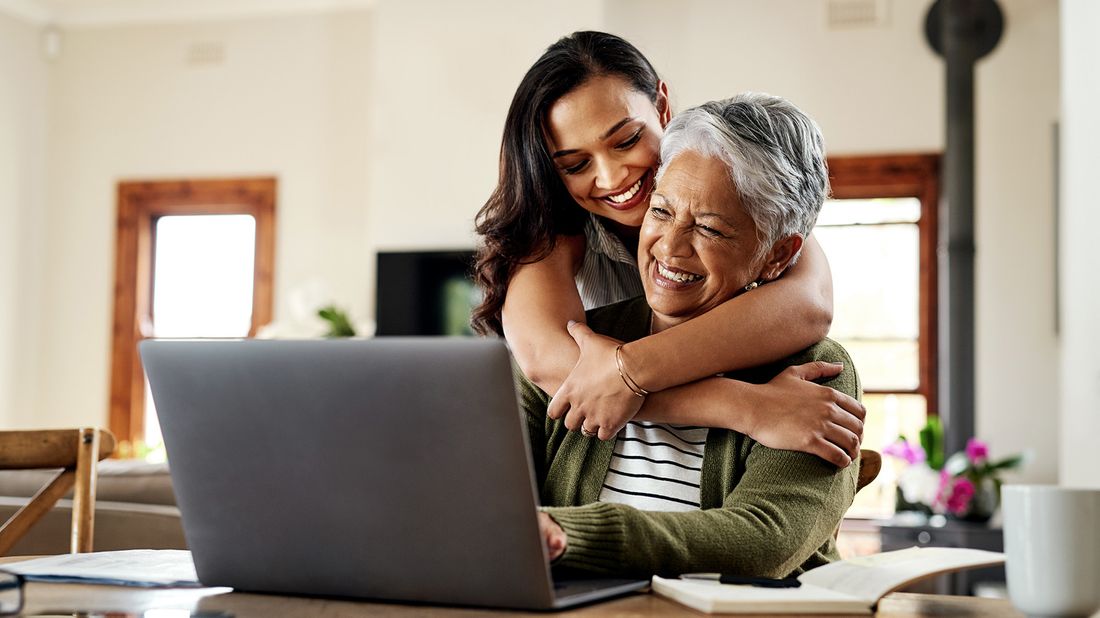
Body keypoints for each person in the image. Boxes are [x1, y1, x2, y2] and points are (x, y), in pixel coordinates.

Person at [473, 32, 863, 467]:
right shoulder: (554, 232)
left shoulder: (732, 173)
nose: (612, 176)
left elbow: (810, 304)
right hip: (611, 455)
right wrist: (745, 407)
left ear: (661, 107)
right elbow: (559, 367)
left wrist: (629, 370)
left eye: (625, 141)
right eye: (576, 165)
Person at [520, 93, 859, 577]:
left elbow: (765, 540)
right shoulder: (580, 344)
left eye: (710, 230)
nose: (671, 248)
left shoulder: (819, 374)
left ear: (778, 255)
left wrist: (567, 534)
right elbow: (484, 502)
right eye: (660, 212)